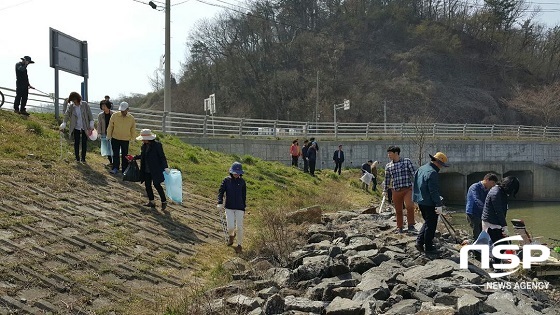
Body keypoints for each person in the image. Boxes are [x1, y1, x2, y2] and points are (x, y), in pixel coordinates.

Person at [413, 152, 449, 253]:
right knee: (431, 224)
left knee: (428, 222)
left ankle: (419, 242)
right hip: (430, 202)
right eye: (442, 165)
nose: (441, 167)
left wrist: (415, 199)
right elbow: (433, 190)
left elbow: (415, 184)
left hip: (421, 200)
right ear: (438, 162)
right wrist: (438, 204)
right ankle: (429, 247)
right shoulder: (432, 172)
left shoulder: (421, 168)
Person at [128, 129, 170, 210]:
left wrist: (165, 167)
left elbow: (162, 157)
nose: (142, 140)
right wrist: (134, 157)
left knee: (157, 185)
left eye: (143, 138)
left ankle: (164, 201)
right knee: (147, 185)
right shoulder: (144, 146)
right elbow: (142, 155)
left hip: (156, 169)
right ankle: (152, 202)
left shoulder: (157, 145)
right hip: (146, 169)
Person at [383, 146, 416, 233]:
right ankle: (400, 227)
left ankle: (411, 225)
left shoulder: (406, 161)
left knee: (409, 205)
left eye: (390, 153)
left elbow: (414, 174)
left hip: (407, 189)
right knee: (398, 210)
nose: (388, 155)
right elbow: (387, 179)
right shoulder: (388, 166)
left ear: (396, 153)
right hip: (396, 190)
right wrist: (385, 190)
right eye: (388, 153)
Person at [217, 162, 247, 254]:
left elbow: (244, 195)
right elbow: (221, 191)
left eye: (238, 173)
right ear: (231, 172)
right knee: (230, 227)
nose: (236, 174)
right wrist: (220, 202)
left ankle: (239, 245)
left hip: (239, 207)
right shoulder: (226, 180)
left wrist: (244, 207)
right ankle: (231, 236)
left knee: (240, 227)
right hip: (229, 207)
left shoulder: (242, 182)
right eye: (235, 172)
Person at [481, 176, 520, 245]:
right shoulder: (496, 193)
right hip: (491, 224)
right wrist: (504, 226)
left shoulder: (501, 192)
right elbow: (498, 211)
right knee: (500, 245)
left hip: (496, 223)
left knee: (507, 243)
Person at [59, 92, 94, 163]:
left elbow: (90, 114)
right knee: (76, 142)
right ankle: (77, 158)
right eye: (72, 100)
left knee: (84, 142)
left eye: (74, 99)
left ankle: (83, 158)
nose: (73, 101)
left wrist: (91, 123)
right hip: (76, 126)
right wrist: (64, 123)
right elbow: (66, 115)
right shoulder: (71, 106)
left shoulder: (85, 104)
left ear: (77, 98)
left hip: (85, 126)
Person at [465, 173, 499, 241]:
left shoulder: (488, 189)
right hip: (473, 213)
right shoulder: (474, 187)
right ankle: (475, 249)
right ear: (486, 180)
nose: (493, 186)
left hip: (482, 214)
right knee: (477, 233)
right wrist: (487, 210)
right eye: (492, 183)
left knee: (484, 232)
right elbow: (477, 200)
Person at [107, 102, 136, 175]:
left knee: (125, 155)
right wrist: (109, 135)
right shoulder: (115, 115)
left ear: (128, 109)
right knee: (115, 154)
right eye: (121, 110)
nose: (122, 112)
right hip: (115, 138)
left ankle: (124, 169)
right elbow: (110, 126)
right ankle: (115, 168)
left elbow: (133, 129)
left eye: (124, 110)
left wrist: (133, 138)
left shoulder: (131, 118)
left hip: (125, 139)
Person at [97, 100, 114, 166]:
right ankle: (110, 162)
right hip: (104, 133)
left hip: (113, 133)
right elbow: (99, 124)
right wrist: (99, 133)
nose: (103, 107)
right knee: (107, 148)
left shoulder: (113, 114)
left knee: (113, 148)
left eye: (104, 105)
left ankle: (115, 162)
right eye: (102, 106)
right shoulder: (100, 115)